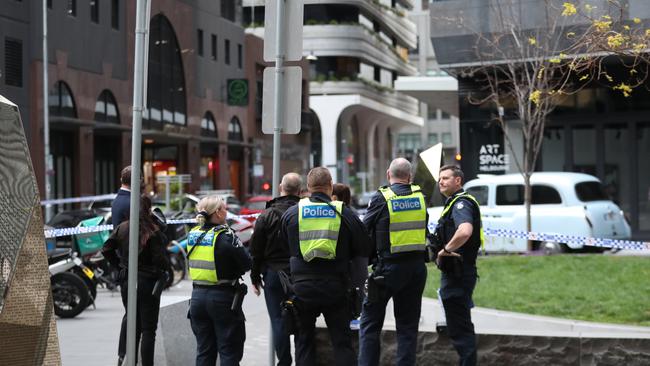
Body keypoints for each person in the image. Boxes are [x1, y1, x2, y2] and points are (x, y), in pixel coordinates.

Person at [278, 167, 369, 366]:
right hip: (336, 287)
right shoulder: (344, 213)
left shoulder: (293, 213)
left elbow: (284, 246)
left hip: (302, 288)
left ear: (308, 188)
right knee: (342, 343)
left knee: (304, 341)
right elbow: (363, 247)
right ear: (330, 186)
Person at [358, 157, 430, 366]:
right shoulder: (420, 197)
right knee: (407, 327)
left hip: (386, 270)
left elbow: (364, 229)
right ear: (410, 176)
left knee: (370, 324)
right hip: (416, 269)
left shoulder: (381, 198)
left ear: (388, 175)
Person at [102, 195, 171, 366]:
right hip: (148, 283)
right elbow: (160, 260)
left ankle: (128, 361)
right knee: (148, 330)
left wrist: (120, 267)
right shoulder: (153, 231)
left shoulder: (123, 227)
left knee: (133, 325)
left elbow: (106, 249)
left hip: (128, 282)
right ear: (148, 209)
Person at [187, 195, 252, 366]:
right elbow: (247, 263)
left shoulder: (193, 234)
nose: (227, 211)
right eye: (224, 208)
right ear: (218, 213)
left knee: (204, 351)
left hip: (197, 299)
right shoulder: (226, 236)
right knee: (229, 351)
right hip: (222, 300)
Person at [249, 172, 302, 366]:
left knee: (278, 321)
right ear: (300, 191)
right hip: (300, 274)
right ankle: (303, 360)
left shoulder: (267, 215)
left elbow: (256, 250)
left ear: (281, 187)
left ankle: (284, 362)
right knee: (302, 320)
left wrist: (255, 278)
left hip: (273, 275)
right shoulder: (304, 211)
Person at [435, 165, 484, 366]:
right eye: (440, 179)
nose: (441, 181)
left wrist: (444, 250)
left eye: (446, 178)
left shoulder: (461, 204)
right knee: (460, 326)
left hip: (458, 273)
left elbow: (465, 231)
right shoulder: (454, 203)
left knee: (461, 330)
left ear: (458, 181)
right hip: (458, 272)